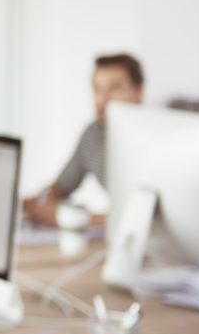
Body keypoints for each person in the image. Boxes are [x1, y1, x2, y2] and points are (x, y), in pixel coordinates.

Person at [22, 53, 145, 227]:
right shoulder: (93, 135)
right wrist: (35, 204)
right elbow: (61, 187)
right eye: (97, 90)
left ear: (138, 92)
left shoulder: (154, 143)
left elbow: (147, 219)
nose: (103, 99)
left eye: (114, 89)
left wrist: (71, 218)